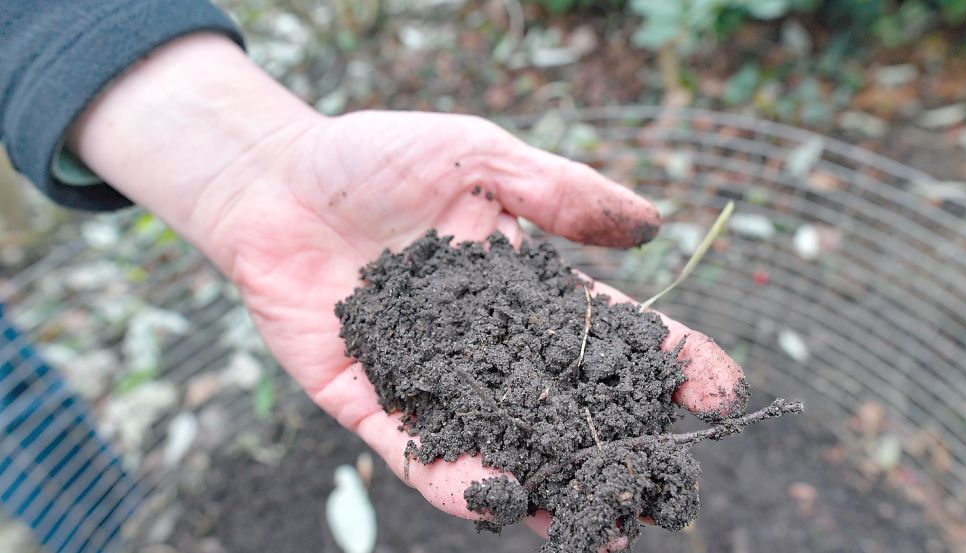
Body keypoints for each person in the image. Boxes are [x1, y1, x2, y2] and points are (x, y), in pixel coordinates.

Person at [1, 0, 745, 541]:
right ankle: (113, 532)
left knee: (22, 411)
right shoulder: (408, 304)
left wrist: (257, 163)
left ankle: (109, 524)